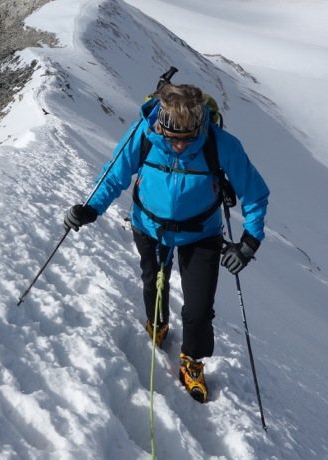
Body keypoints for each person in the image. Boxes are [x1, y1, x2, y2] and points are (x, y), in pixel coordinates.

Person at [64, 81, 269, 402]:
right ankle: (157, 323)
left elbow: (254, 193)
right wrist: (90, 208)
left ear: (199, 126)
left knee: (200, 307)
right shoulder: (143, 134)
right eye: (172, 139)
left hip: (201, 233)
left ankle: (192, 359)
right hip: (149, 227)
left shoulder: (220, 144)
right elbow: (114, 174)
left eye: (187, 140)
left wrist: (249, 243)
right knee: (153, 282)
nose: (178, 147)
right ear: (161, 123)